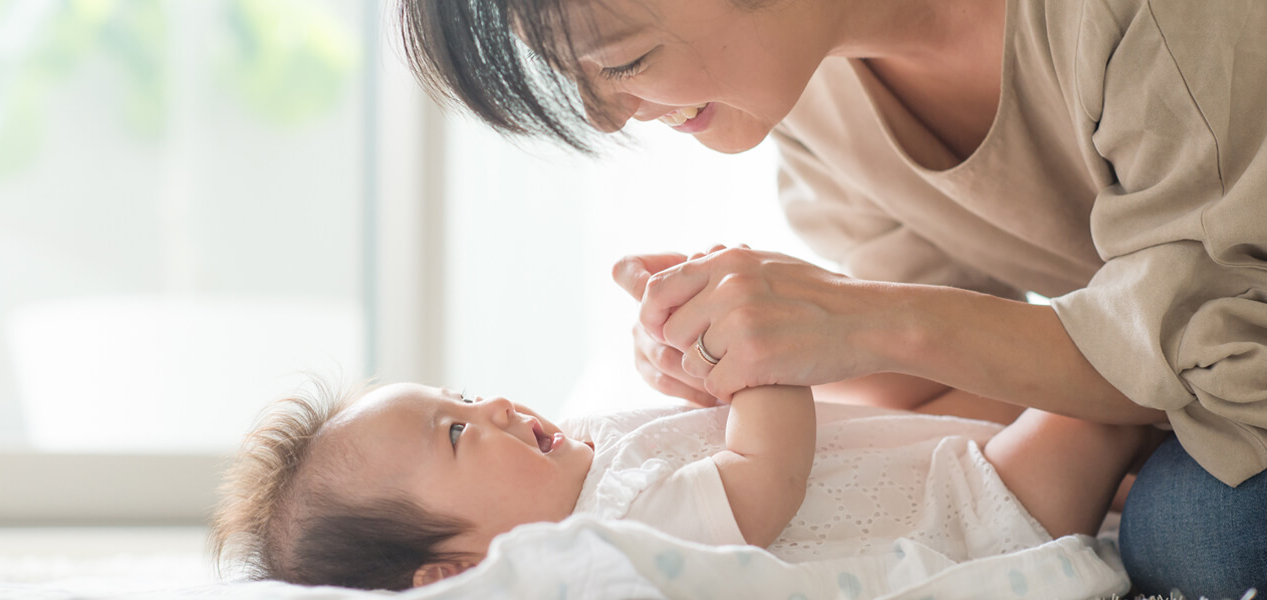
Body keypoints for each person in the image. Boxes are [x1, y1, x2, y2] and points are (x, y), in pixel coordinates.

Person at [396, 0, 1267, 595]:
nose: (608, 117)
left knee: (1201, 533)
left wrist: (859, 320)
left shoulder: (1131, 21)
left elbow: (1235, 361)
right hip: (1187, 362)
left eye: (623, 63)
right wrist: (749, 364)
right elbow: (924, 393)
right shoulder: (815, 106)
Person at [209, 377, 1151, 591]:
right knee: (1106, 399)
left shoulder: (587, 460)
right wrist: (760, 362)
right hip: (977, 508)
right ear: (457, 572)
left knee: (1075, 398)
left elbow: (705, 429)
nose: (492, 403)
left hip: (934, 451)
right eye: (457, 432)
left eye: (463, 391)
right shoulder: (611, 541)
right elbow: (764, 473)